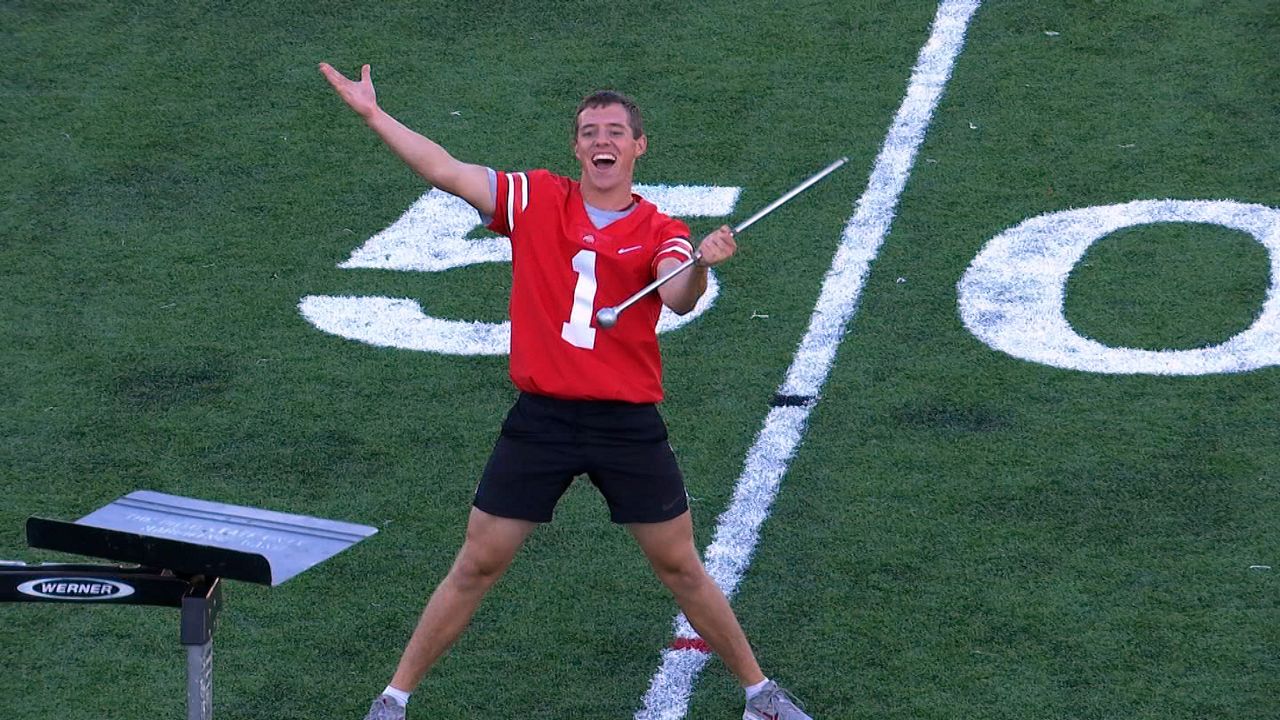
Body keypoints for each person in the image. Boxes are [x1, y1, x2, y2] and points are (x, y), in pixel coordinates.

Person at [319, 62, 813, 720]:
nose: (601, 140)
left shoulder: (662, 230)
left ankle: (760, 696)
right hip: (543, 419)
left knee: (681, 567)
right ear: (577, 148)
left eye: (615, 131)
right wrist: (375, 116)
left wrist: (699, 265)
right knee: (477, 564)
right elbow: (445, 168)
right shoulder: (535, 198)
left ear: (639, 146)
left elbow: (677, 297)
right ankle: (393, 699)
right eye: (589, 132)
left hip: (625, 423)